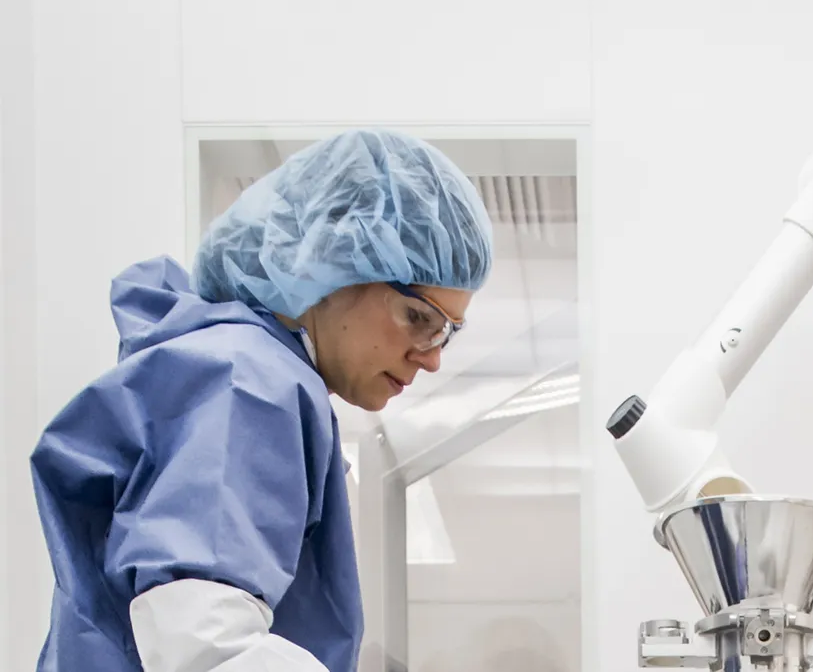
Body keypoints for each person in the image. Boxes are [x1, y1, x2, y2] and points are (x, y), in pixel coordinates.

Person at [29, 128, 494, 672]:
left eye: (446, 332)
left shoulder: (237, 372)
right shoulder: (250, 384)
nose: (431, 357)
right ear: (333, 264)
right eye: (418, 317)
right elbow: (204, 642)